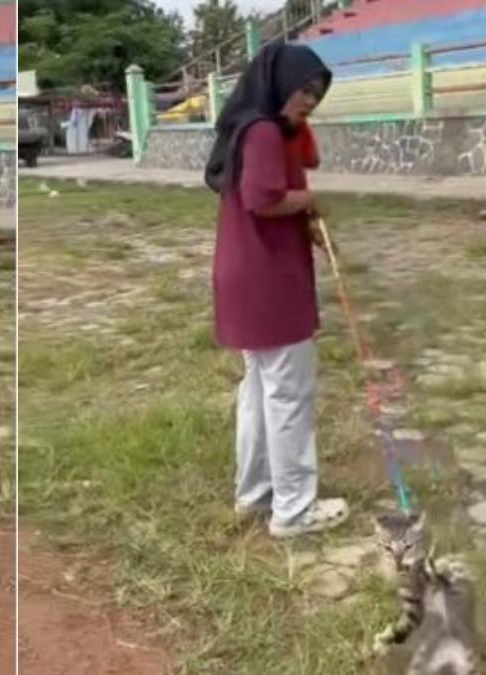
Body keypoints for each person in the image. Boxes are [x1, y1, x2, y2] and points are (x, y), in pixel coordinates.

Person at [204, 43, 348, 539]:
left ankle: (256, 494)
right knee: (288, 395)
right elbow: (264, 200)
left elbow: (293, 170)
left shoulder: (254, 126)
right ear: (277, 81)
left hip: (247, 274)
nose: (309, 100)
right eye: (303, 88)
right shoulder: (264, 131)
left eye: (317, 93)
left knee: (260, 391)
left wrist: (303, 218)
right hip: (268, 281)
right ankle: (294, 510)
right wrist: (309, 199)